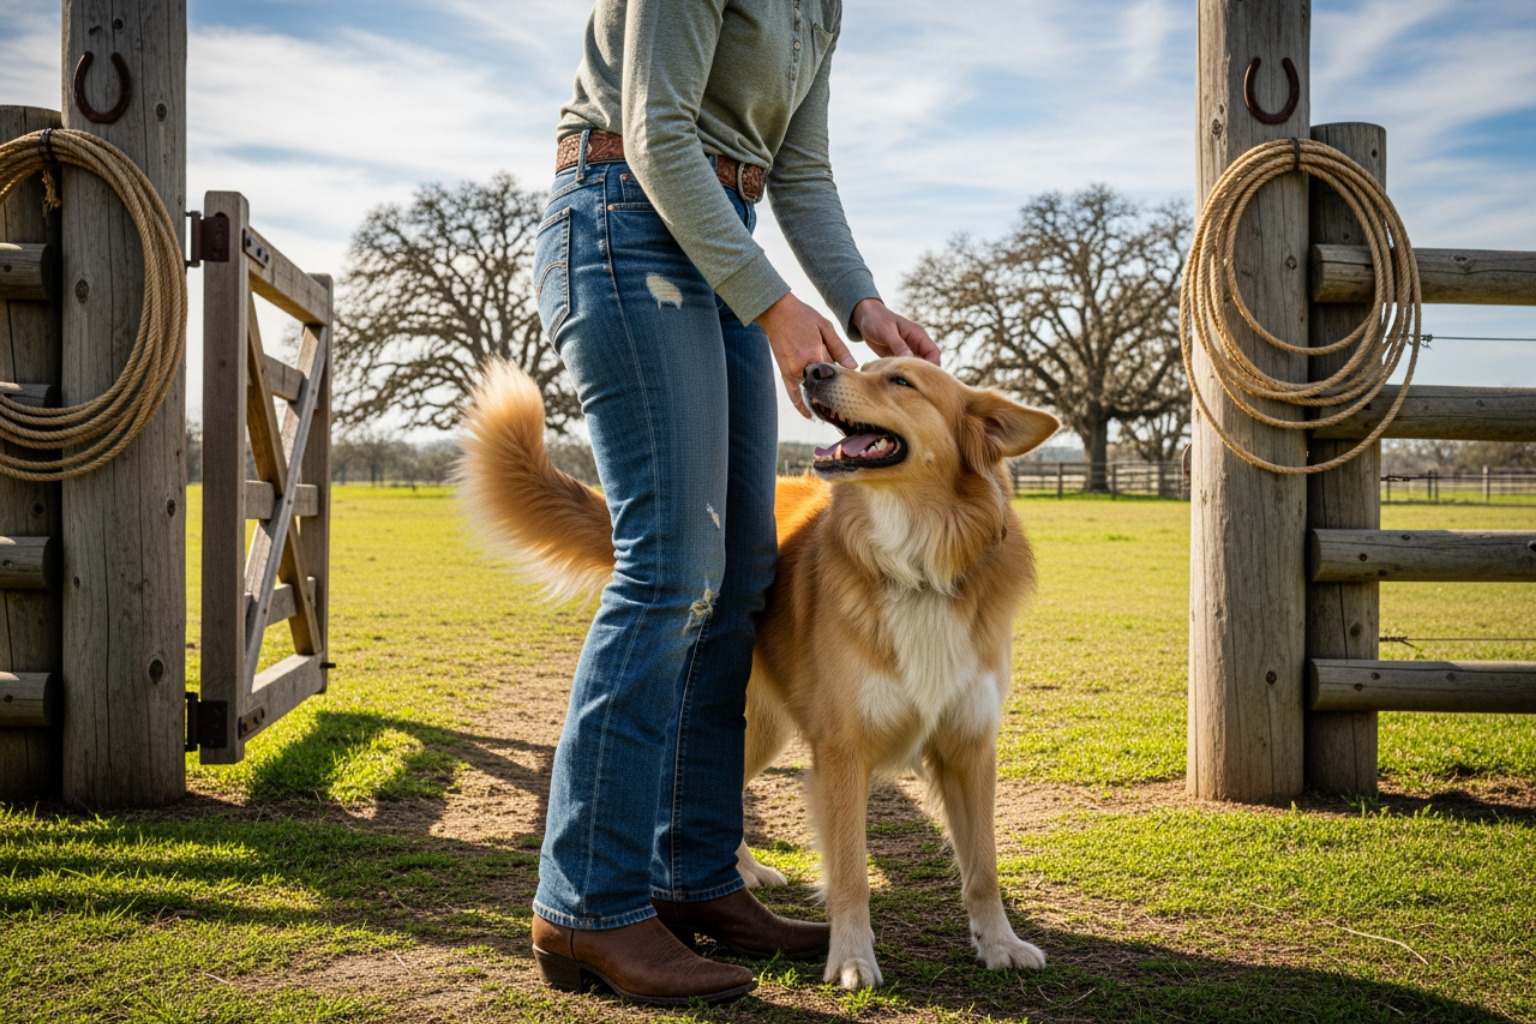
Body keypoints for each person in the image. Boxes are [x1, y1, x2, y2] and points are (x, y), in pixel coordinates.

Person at [528, 0, 941, 1005]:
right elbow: (660, 128)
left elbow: (800, 168)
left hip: (719, 236)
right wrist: (773, 301)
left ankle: (692, 875)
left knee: (743, 576)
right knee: (670, 569)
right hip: (625, 216)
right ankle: (584, 905)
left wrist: (859, 302)